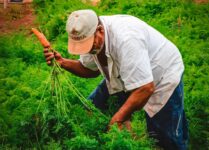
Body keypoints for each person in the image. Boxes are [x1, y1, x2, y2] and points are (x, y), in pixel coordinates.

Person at [44, 9, 188, 150]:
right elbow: (90, 69)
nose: (87, 50)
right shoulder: (89, 35)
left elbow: (145, 88)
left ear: (99, 30)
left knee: (165, 136)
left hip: (162, 75)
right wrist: (63, 63)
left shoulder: (127, 39)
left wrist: (118, 118)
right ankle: (125, 135)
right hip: (123, 73)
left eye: (89, 45)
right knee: (94, 106)